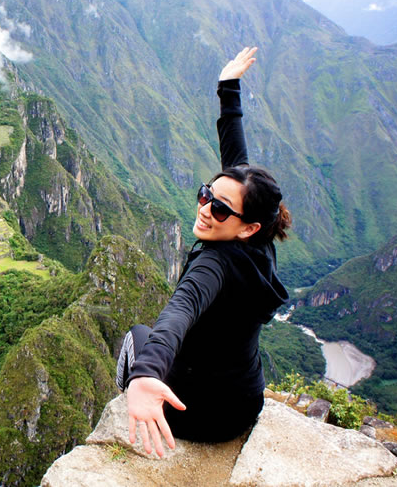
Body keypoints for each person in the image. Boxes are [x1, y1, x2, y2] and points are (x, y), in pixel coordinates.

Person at [116, 46, 292, 457]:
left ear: (246, 226)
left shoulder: (214, 265)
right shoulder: (258, 235)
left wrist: (144, 375)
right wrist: (228, 90)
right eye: (205, 193)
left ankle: (138, 393)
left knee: (136, 337)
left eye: (218, 208)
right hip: (245, 404)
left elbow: (179, 311)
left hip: (199, 416)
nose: (205, 208)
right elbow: (237, 167)